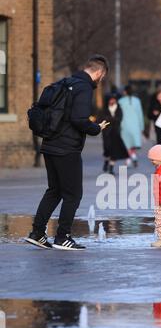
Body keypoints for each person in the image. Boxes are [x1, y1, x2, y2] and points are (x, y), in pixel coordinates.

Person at [25, 55, 110, 251]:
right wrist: (95, 128)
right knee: (73, 194)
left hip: (49, 145)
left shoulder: (66, 82)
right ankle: (63, 237)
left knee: (54, 190)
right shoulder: (84, 87)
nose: (100, 80)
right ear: (99, 73)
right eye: (102, 77)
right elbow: (79, 119)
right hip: (66, 148)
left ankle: (37, 233)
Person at [100, 94, 128, 175]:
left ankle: (111, 168)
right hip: (106, 133)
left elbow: (119, 119)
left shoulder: (119, 109)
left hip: (116, 132)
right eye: (111, 99)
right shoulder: (104, 109)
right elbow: (101, 119)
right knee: (107, 149)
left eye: (114, 99)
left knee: (115, 150)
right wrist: (112, 119)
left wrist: (110, 119)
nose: (112, 101)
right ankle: (106, 161)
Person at [119, 85, 144, 168]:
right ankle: (133, 157)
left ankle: (129, 159)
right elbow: (140, 114)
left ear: (125, 92)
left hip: (124, 125)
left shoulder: (120, 101)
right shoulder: (137, 101)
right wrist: (142, 126)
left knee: (127, 143)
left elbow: (118, 114)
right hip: (135, 125)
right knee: (133, 143)